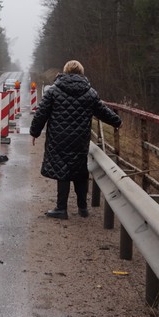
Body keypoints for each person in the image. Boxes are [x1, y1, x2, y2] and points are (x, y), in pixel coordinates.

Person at [29, 60, 120, 219]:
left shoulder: (53, 91)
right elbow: (102, 111)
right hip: (80, 139)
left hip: (58, 139)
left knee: (62, 170)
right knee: (79, 170)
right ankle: (83, 208)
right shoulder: (90, 92)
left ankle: (61, 209)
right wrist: (117, 121)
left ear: (65, 72)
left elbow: (41, 113)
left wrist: (34, 132)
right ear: (81, 73)